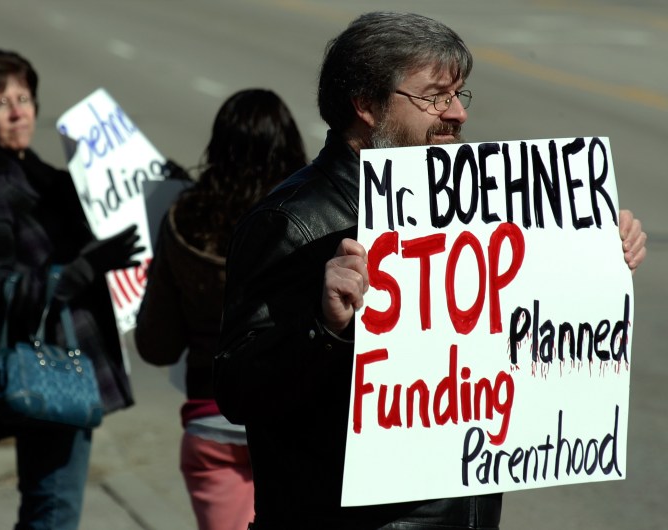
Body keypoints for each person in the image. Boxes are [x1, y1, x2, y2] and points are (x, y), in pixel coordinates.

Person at [213, 12, 648, 530]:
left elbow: (523, 330)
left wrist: (598, 257)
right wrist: (323, 327)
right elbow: (239, 392)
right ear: (366, 105)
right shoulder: (295, 222)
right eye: (436, 97)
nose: (458, 113)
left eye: (461, 95)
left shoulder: (481, 204)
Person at [0, 49, 150, 530]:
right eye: (0, 102)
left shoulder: (30, 171)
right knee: (52, 512)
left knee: (49, 509)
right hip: (46, 368)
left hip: (65, 361)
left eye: (24, 98)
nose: (18, 112)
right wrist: (80, 270)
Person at [134, 88, 308, 530]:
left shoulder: (182, 219)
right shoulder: (308, 218)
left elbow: (156, 346)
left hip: (210, 418)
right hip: (294, 421)